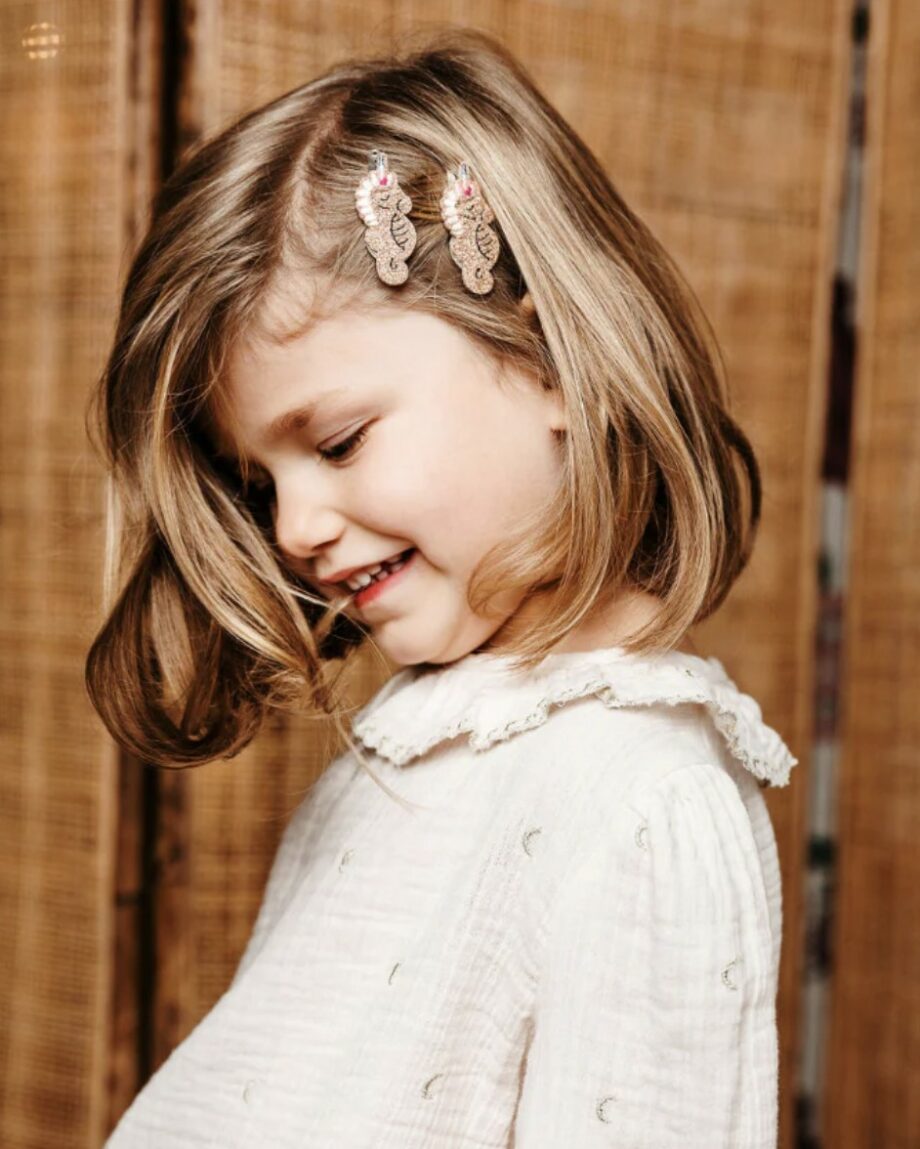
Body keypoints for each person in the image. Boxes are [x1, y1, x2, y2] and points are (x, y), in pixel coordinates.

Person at [87, 27, 798, 1148]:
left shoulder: (641, 806)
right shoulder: (411, 748)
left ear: (546, 361)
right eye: (256, 482)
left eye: (337, 440)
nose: (293, 529)